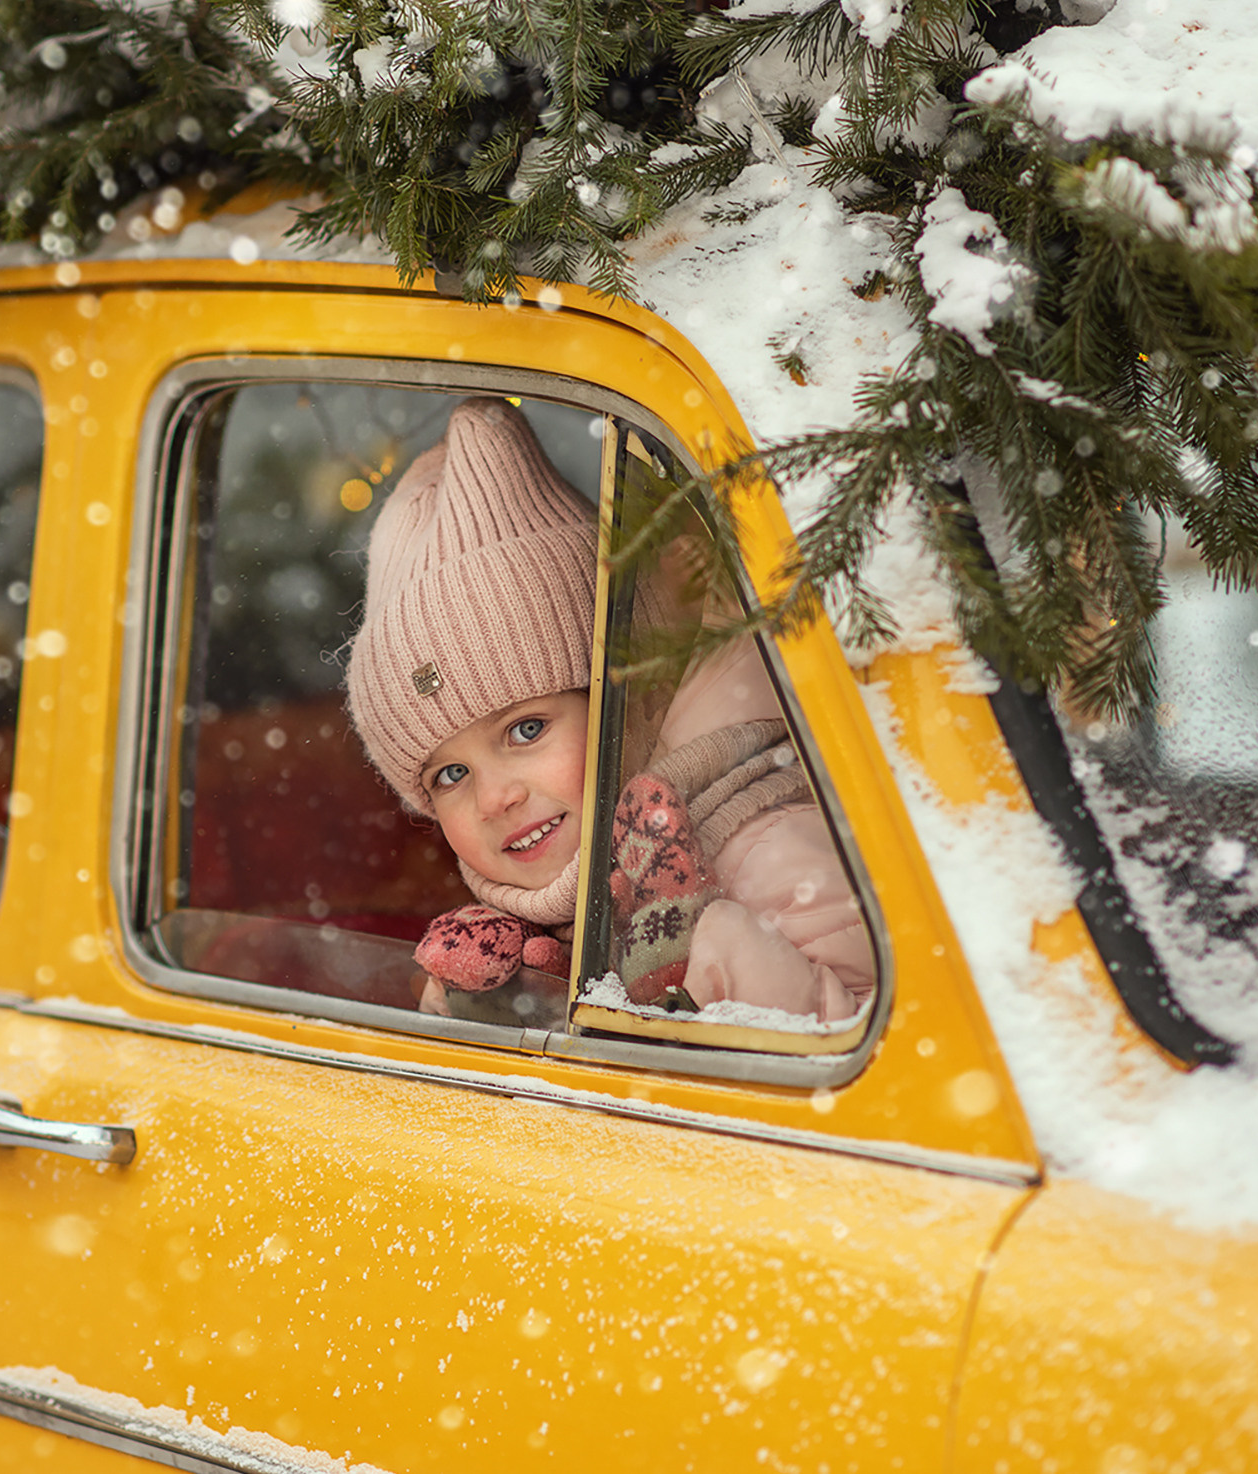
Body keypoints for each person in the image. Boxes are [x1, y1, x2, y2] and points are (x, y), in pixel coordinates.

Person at [343, 396, 875, 1024]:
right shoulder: (542, 920)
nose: (495, 799)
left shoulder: (762, 841)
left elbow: (874, 1031)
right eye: (451, 774)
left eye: (526, 730)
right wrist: (503, 1009)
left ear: (623, 698)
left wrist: (694, 952)